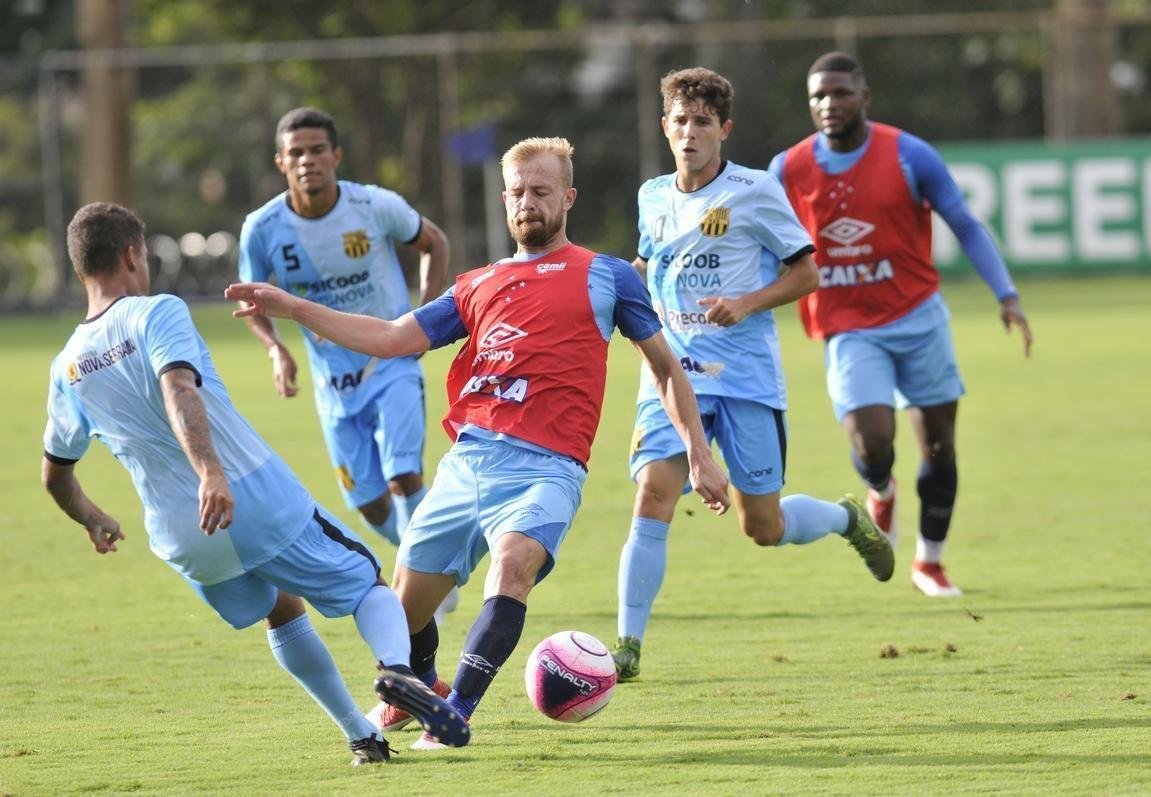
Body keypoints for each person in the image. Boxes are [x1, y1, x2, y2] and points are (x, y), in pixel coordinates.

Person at [226, 136, 731, 748]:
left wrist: (699, 454)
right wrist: (292, 307)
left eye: (541, 191)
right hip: (468, 461)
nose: (527, 203)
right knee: (397, 614)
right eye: (517, 192)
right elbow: (391, 337)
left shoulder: (609, 276)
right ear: (503, 200)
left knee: (513, 564)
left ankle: (456, 712)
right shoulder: (477, 284)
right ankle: (425, 688)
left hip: (547, 467)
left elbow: (665, 367)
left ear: (567, 198)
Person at [42, 202, 469, 765]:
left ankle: (362, 738)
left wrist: (93, 517)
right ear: (131, 255)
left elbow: (55, 473)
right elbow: (179, 390)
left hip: (182, 536)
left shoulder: (66, 365)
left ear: (79, 269)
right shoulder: (153, 313)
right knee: (368, 583)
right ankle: (396, 671)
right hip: (245, 494)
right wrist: (212, 473)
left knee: (282, 610)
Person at [610, 67, 894, 683]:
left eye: (702, 123)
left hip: (743, 377)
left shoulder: (755, 190)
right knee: (654, 495)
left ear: (724, 130)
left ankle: (845, 517)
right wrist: (615, 291)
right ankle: (627, 647)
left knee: (761, 527)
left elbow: (806, 273)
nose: (690, 133)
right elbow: (645, 262)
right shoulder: (652, 196)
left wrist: (746, 302)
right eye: (680, 121)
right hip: (671, 371)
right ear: (665, 127)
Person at [769, 52, 1035, 597]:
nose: (830, 104)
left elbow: (963, 221)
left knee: (940, 446)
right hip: (848, 327)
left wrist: (1006, 294)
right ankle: (879, 488)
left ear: (864, 97)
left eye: (841, 92)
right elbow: (753, 233)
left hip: (918, 320)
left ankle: (929, 563)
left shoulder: (909, 155)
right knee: (872, 444)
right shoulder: (789, 168)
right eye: (819, 95)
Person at [237, 109, 458, 620]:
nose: (308, 160)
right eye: (296, 153)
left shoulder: (374, 205)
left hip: (390, 359)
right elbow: (252, 302)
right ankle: (438, 563)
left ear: (335, 155)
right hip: (332, 383)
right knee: (370, 504)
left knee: (404, 476)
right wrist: (276, 348)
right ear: (281, 162)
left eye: (317, 150)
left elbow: (435, 242)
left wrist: (420, 320)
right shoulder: (263, 228)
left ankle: (420, 587)